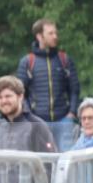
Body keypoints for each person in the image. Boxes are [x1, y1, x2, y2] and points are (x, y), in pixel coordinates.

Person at [17, 18, 81, 151]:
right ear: (39, 36)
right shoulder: (27, 61)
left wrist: (72, 113)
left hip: (64, 120)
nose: (55, 37)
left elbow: (74, 89)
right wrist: (29, 116)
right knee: (41, 160)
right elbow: (21, 93)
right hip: (38, 120)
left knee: (66, 160)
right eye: (51, 33)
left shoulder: (64, 59)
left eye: (56, 33)